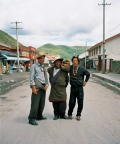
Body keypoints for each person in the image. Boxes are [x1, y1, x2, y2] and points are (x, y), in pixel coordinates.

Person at [28, 52, 49, 126]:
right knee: (35, 104)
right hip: (36, 87)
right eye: (41, 58)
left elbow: (46, 77)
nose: (42, 59)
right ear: (38, 59)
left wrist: (46, 84)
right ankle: (32, 118)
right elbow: (31, 78)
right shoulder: (34, 66)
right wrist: (33, 87)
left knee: (41, 103)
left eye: (43, 58)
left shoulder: (43, 67)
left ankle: (39, 116)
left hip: (43, 87)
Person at [68, 56, 90, 121]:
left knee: (80, 102)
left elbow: (88, 74)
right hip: (73, 88)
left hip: (80, 88)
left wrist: (85, 81)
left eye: (76, 61)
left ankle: (78, 115)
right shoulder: (70, 68)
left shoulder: (82, 68)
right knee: (71, 102)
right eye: (73, 61)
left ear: (78, 62)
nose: (74, 62)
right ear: (72, 61)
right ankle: (70, 113)